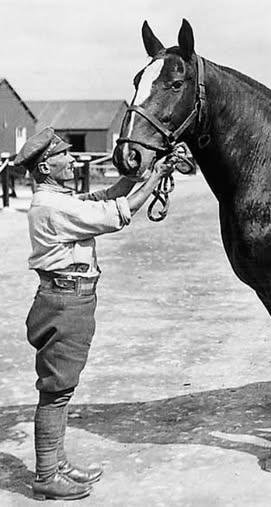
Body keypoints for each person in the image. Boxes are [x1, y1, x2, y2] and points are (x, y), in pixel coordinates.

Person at [14, 127, 175, 501]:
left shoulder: (56, 199)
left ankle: (57, 463)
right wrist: (154, 178)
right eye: (63, 157)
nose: (71, 161)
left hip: (69, 299)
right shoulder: (52, 206)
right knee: (55, 392)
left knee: (61, 390)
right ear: (44, 168)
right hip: (65, 301)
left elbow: (104, 197)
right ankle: (46, 475)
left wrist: (135, 176)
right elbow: (118, 213)